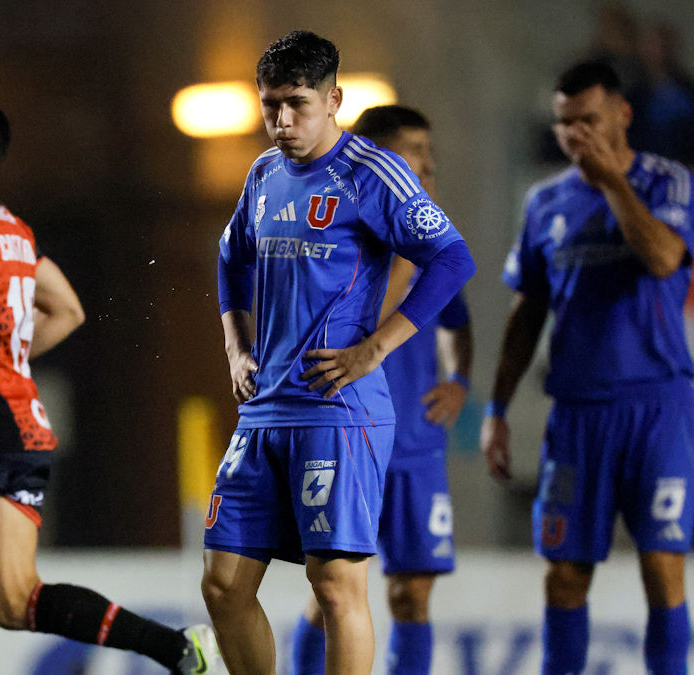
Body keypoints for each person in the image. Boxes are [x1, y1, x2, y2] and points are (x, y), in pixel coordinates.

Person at [0, 94, 223, 675]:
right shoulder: (8, 225)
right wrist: (4, 357)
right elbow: (66, 310)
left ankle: (179, 646)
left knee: (13, 602)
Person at [204, 31, 475, 675]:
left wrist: (375, 348)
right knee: (222, 586)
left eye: (297, 104)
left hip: (337, 410)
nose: (282, 121)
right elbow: (231, 258)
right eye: (270, 105)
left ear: (333, 100)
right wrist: (237, 346)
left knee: (334, 587)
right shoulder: (263, 173)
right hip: (263, 411)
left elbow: (452, 258)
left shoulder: (371, 173)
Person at [482, 60, 694, 675]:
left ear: (622, 115)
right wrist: (497, 408)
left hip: (656, 407)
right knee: (565, 576)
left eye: (589, 121)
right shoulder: (544, 201)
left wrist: (613, 185)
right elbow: (527, 312)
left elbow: (663, 258)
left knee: (662, 565)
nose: (577, 135)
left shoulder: (667, 181)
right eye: (565, 124)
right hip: (576, 413)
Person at [287, 105, 472, 675]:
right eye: (415, 151)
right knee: (332, 591)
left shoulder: (430, 243)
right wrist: (406, 246)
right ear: (379, 158)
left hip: (416, 445)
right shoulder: (340, 234)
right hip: (350, 435)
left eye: (429, 152)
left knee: (412, 593)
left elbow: (457, 319)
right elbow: (370, 316)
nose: (428, 165)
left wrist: (459, 380)